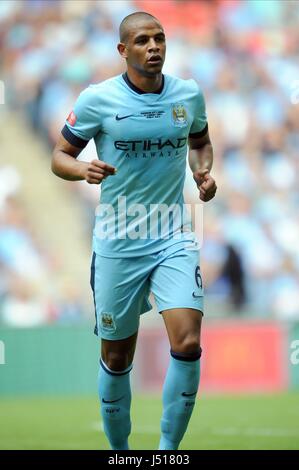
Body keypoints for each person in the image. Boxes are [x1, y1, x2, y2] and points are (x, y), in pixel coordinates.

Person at [52, 11, 217, 450]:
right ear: (123, 51)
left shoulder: (187, 94)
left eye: (159, 38)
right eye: (143, 40)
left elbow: (200, 141)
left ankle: (167, 453)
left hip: (173, 235)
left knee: (187, 340)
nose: (154, 47)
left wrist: (201, 174)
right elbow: (59, 157)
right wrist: (82, 168)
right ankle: (122, 454)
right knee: (116, 355)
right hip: (118, 241)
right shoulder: (97, 99)